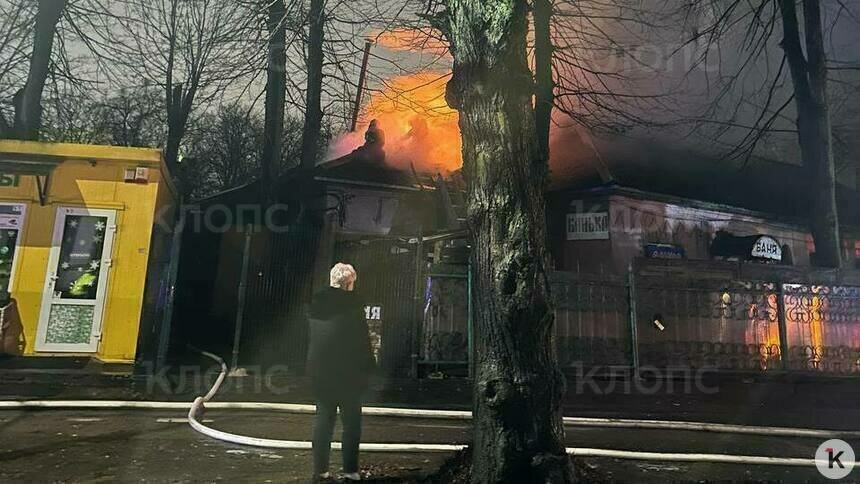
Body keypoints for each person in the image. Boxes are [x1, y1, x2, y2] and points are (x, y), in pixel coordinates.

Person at [307, 263, 375, 481]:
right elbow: (362, 342)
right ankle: (350, 471)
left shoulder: (315, 303)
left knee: (323, 419)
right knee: (351, 422)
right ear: (348, 284)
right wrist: (369, 368)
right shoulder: (353, 306)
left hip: (320, 371)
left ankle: (320, 471)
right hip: (348, 373)